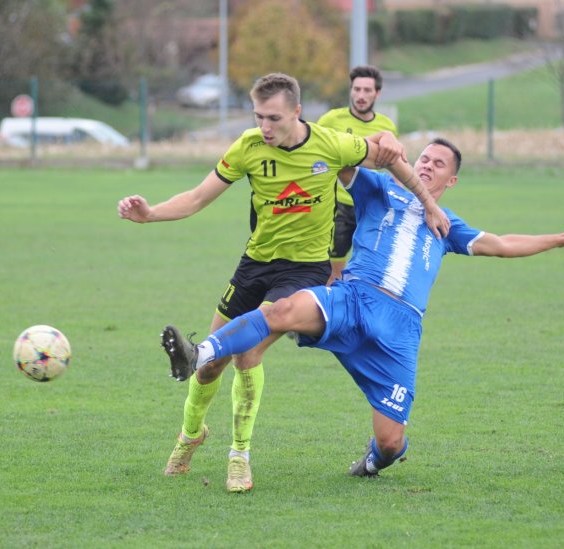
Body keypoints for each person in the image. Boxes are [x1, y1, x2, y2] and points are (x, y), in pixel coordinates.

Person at [161, 137, 564, 480]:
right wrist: (374, 147)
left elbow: (500, 244)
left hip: (399, 331)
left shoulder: (447, 224)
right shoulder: (379, 187)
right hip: (353, 298)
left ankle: (371, 463)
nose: (426, 165)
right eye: (423, 158)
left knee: (389, 443)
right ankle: (200, 353)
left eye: (438, 164)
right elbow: (346, 159)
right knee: (282, 311)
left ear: (453, 180)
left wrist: (558, 238)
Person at [118, 72, 449, 493]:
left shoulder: (331, 143)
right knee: (210, 369)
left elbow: (391, 156)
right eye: (258, 116)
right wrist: (150, 214)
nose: (265, 127)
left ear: (296, 111)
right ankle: (190, 436)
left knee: (247, 355)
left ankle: (239, 455)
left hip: (305, 269)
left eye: (273, 118)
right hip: (254, 264)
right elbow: (198, 197)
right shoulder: (248, 147)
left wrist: (428, 204)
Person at [318, 65, 397, 285]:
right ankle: (330, 314)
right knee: (333, 270)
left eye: (367, 90)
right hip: (339, 206)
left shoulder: (386, 126)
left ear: (377, 93)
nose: (361, 95)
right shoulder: (331, 120)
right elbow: (313, 153)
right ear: (351, 90)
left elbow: (394, 165)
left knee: (373, 268)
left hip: (373, 205)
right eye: (357, 89)